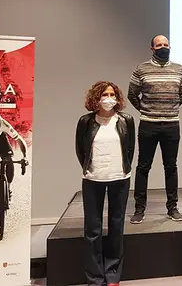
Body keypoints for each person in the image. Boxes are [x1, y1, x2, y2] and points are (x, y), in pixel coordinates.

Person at [75, 81, 136, 286]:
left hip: (120, 178)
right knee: (92, 230)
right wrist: (90, 168)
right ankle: (95, 277)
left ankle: (113, 275)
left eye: (112, 94)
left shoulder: (126, 120)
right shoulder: (85, 121)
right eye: (104, 94)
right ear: (95, 98)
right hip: (93, 179)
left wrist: (123, 168)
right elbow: (80, 150)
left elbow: (130, 149)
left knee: (116, 227)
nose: (108, 98)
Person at [128, 34, 182, 224]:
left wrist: (168, 109)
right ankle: (139, 209)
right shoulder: (141, 69)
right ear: (152, 48)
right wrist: (147, 110)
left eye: (166, 44)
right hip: (148, 124)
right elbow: (132, 94)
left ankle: (172, 208)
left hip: (171, 124)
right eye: (159, 45)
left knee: (171, 167)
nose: (163, 47)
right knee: (143, 167)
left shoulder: (179, 69)